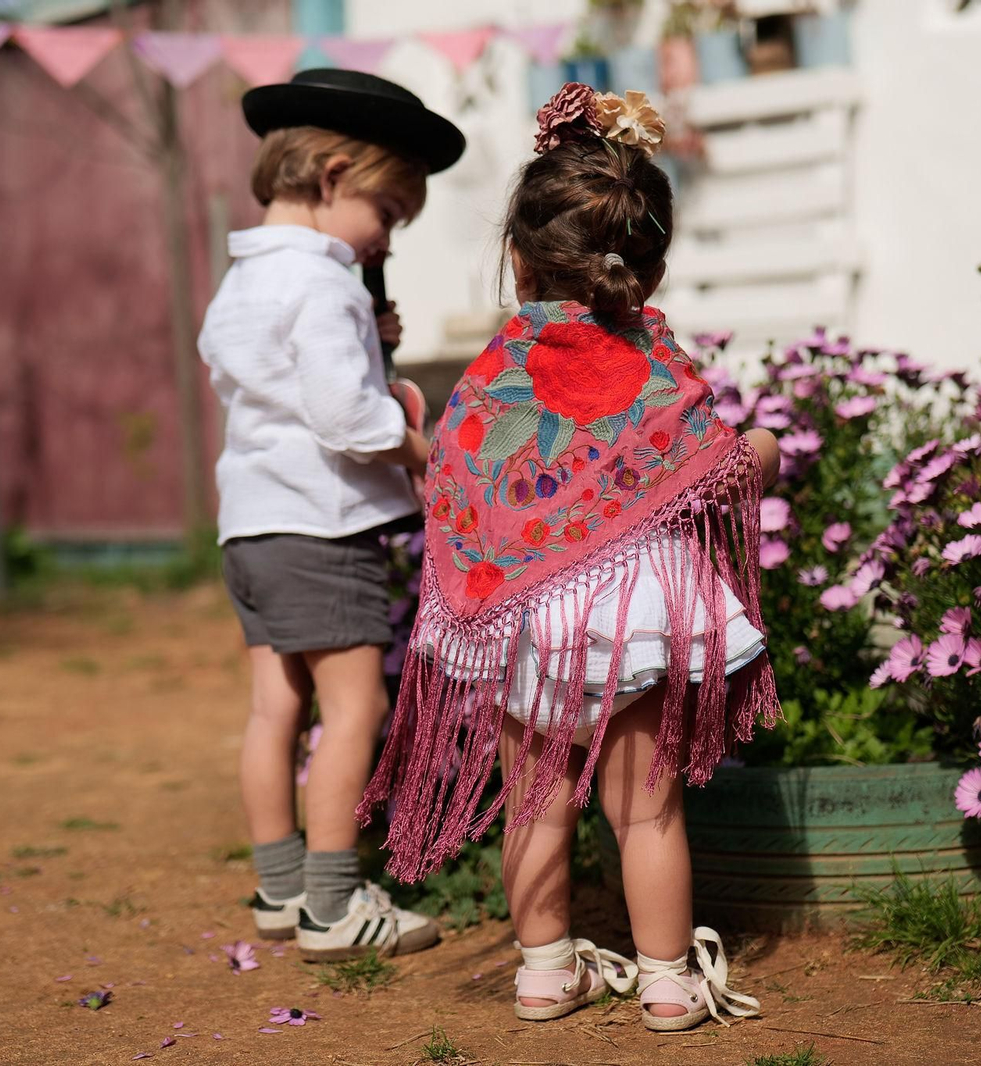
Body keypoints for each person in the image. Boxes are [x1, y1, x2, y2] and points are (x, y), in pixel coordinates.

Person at [358, 83, 780, 1030]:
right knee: (648, 815)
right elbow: (716, 465)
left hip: (524, 616)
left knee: (536, 803)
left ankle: (544, 971)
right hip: (636, 618)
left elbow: (466, 477)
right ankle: (668, 982)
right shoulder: (660, 367)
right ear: (652, 266)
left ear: (518, 258)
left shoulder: (488, 377)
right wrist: (767, 453)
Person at [198, 69, 464, 961]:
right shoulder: (324, 289)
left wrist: (366, 343)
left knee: (276, 708)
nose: (384, 235)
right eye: (387, 213)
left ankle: (279, 890)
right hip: (322, 528)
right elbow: (347, 419)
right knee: (357, 708)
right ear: (333, 176)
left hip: (252, 528)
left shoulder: (242, 282)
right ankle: (332, 906)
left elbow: (276, 386)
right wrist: (420, 449)